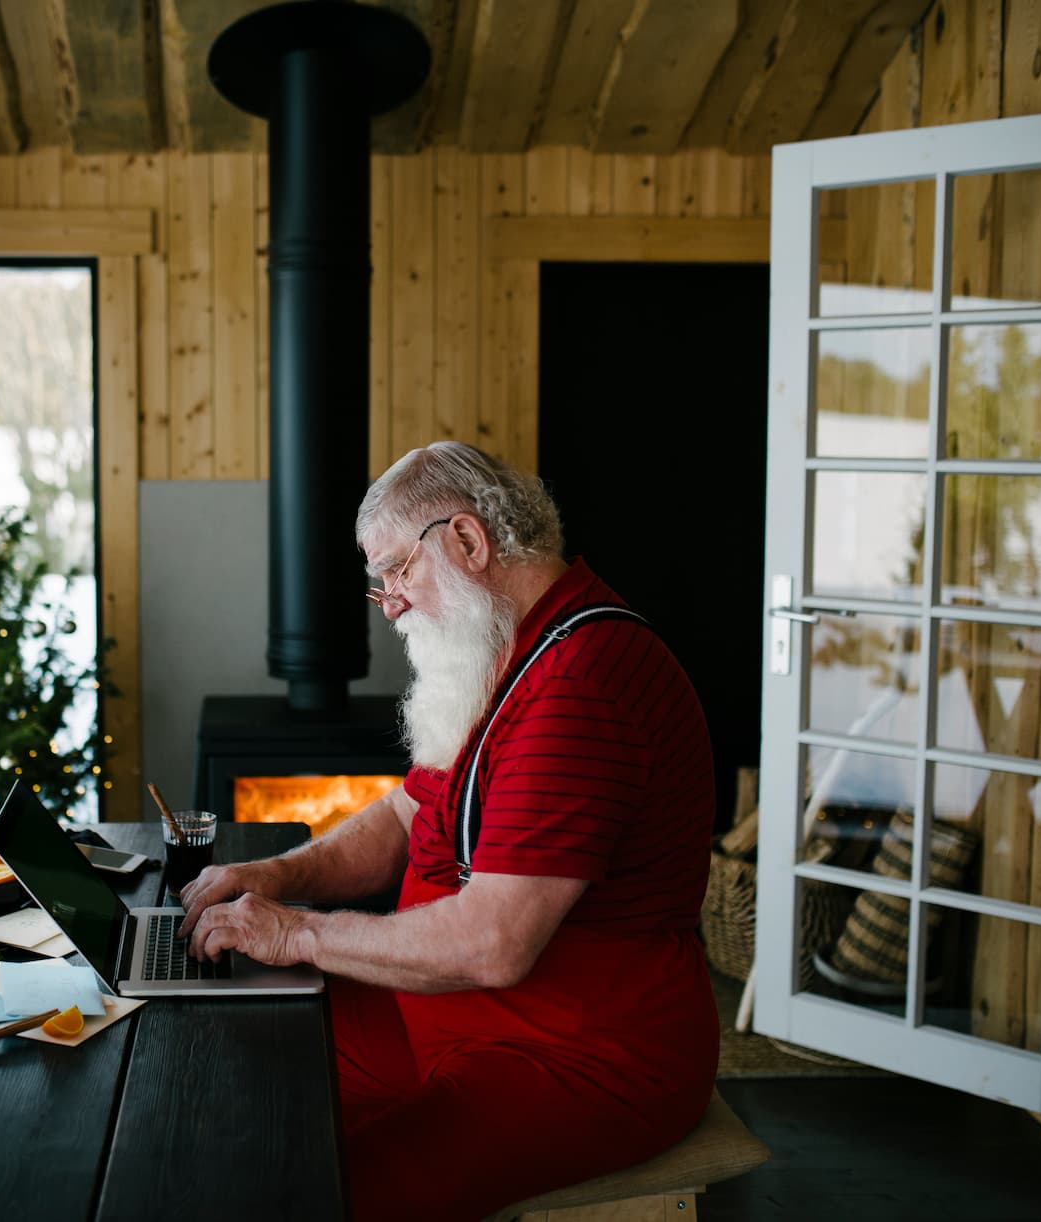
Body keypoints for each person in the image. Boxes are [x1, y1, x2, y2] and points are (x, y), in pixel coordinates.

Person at [178, 441, 718, 1221]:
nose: (389, 602)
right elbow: (407, 813)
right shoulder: (506, 650)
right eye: (380, 583)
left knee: (323, 1190)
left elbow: (489, 945)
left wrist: (297, 934)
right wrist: (277, 876)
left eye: (396, 570)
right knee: (231, 1067)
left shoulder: (580, 688)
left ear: (466, 540)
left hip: (574, 1057)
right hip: (440, 1014)